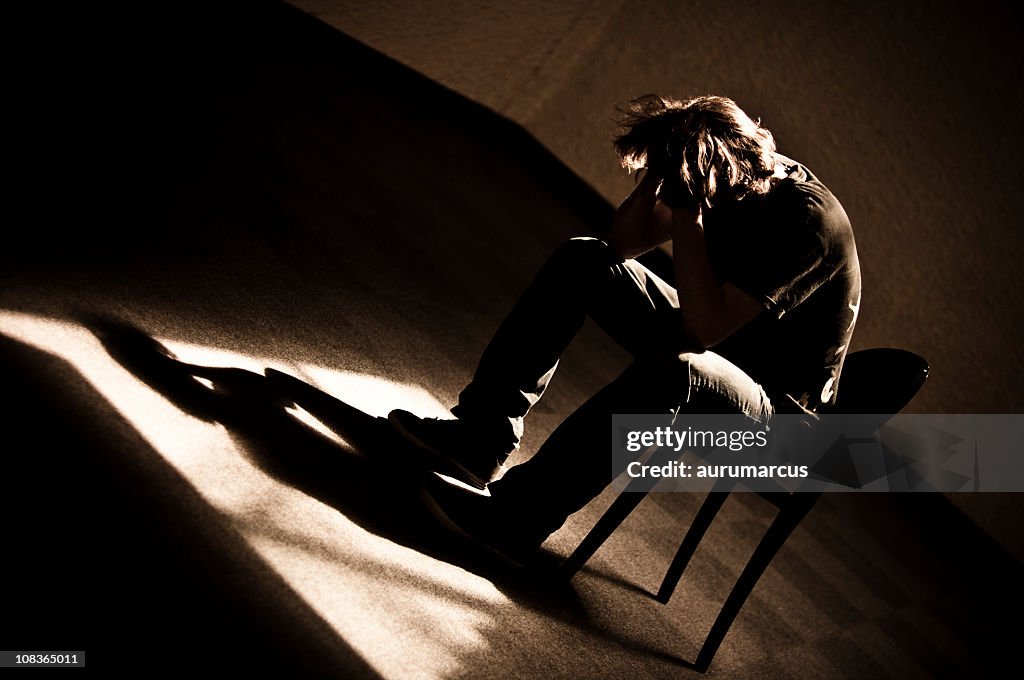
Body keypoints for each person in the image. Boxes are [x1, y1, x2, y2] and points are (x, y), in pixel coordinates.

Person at [389, 94, 861, 565]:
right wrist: (659, 179)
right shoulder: (729, 170)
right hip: (722, 341)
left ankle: (519, 517)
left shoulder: (806, 222)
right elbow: (622, 244)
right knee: (584, 260)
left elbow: (701, 331)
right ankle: (479, 438)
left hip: (782, 422)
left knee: (681, 369)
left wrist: (688, 212)